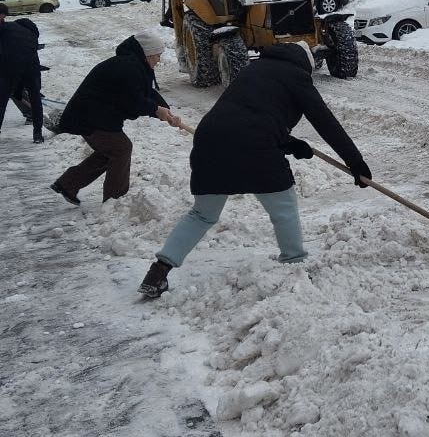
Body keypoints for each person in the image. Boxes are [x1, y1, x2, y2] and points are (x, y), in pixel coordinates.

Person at [139, 41, 371, 299]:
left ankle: (158, 272)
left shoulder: (254, 69)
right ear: (305, 63)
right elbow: (325, 121)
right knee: (283, 210)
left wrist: (289, 143)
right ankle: (294, 263)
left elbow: (250, 115)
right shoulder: (297, 76)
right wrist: (355, 162)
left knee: (202, 215)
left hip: (209, 140)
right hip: (257, 146)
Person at [51, 30, 180, 205]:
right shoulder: (128, 67)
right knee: (121, 149)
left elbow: (146, 93)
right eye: (157, 55)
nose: (158, 59)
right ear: (147, 53)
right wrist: (156, 110)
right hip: (90, 117)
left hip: (96, 116)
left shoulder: (135, 65)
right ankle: (115, 199)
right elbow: (132, 100)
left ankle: (68, 184)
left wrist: (166, 112)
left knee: (110, 152)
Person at [0, 18, 45, 143]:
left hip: (10, 69)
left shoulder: (6, 28)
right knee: (35, 99)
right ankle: (38, 135)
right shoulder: (30, 33)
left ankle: (28, 113)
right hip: (32, 68)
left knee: (2, 101)